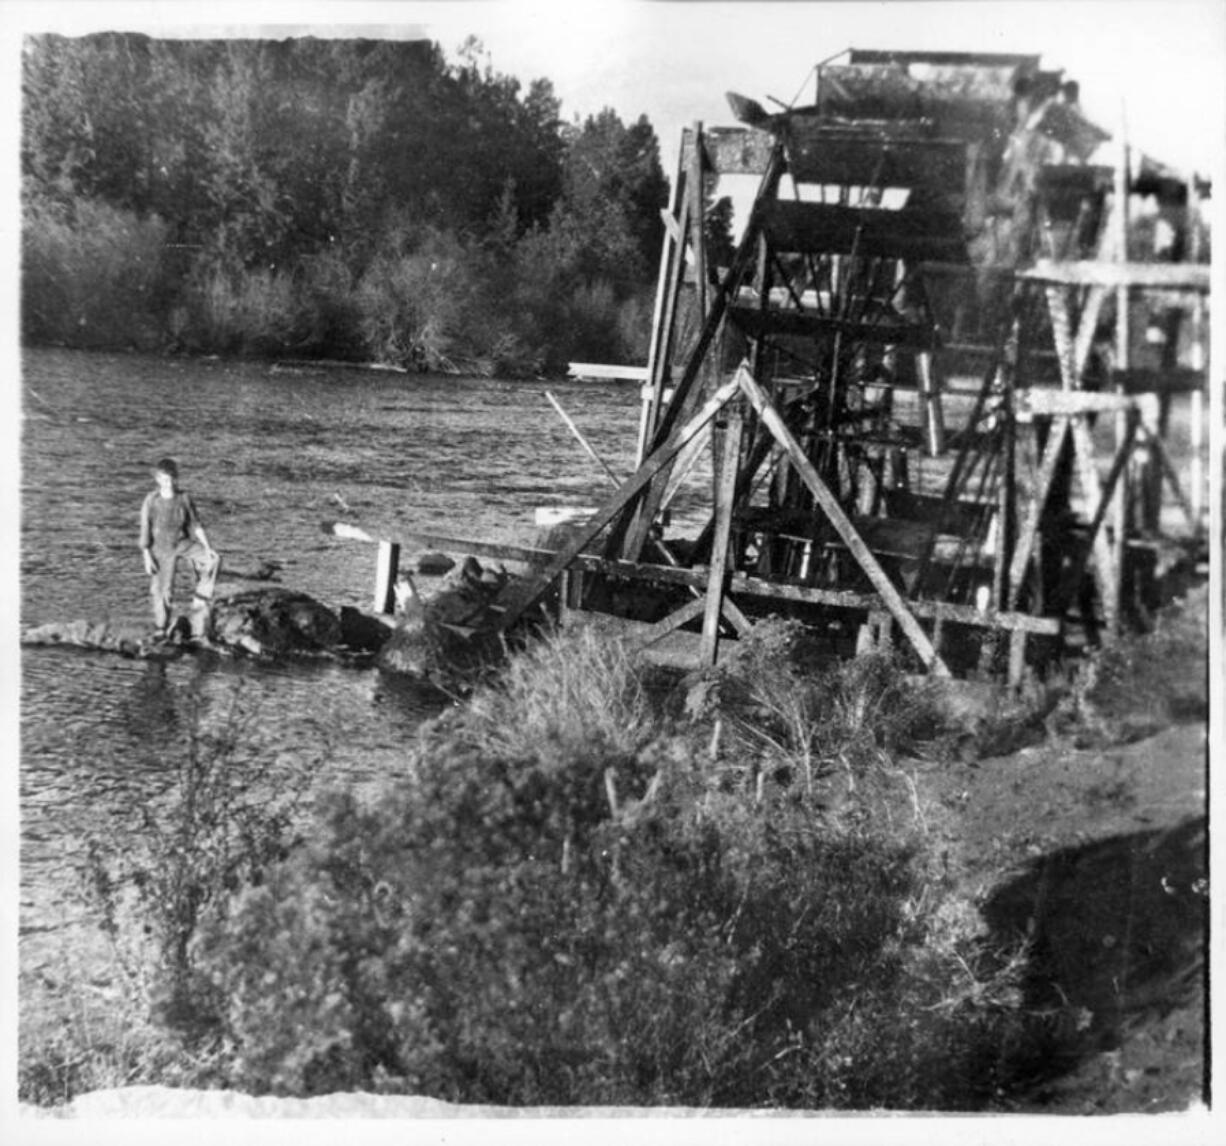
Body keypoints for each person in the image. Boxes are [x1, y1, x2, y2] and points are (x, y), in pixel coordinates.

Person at [139, 457, 221, 638]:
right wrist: (147, 555)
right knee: (163, 591)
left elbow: (196, 525)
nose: (169, 484)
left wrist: (208, 547)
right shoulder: (151, 501)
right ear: (158, 480)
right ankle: (161, 628)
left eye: (172, 479)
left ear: (176, 479)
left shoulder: (184, 498)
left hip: (182, 543)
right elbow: (145, 529)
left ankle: (200, 599)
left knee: (213, 560)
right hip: (160, 550)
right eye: (165, 480)